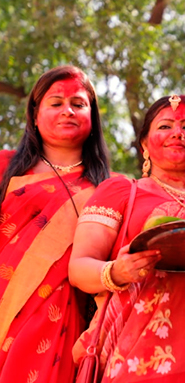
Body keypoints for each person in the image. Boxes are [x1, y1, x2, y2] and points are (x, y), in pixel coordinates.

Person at [69, 95, 185, 382]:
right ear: (144, 145)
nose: (177, 133)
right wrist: (117, 271)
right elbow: (78, 268)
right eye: (165, 126)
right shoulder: (122, 192)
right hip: (134, 356)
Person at [0, 65, 110, 382]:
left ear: (92, 117)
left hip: (60, 322)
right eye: (56, 103)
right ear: (34, 115)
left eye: (78, 103)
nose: (67, 111)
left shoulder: (109, 188)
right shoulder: (5, 167)